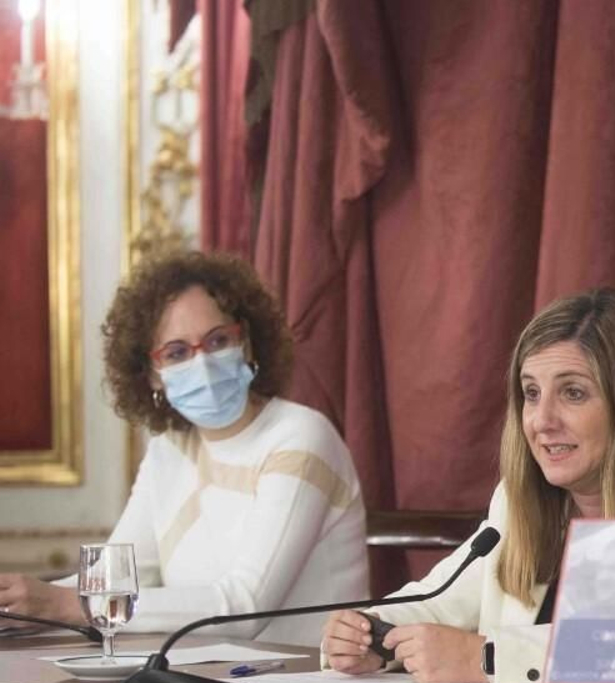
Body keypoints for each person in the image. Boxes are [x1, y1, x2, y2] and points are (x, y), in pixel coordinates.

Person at [320, 288, 615, 683]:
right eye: (530, 393)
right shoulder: (521, 501)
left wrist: (483, 659)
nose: (542, 421)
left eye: (573, 393)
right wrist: (369, 634)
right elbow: (439, 601)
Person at [0, 251, 368, 647]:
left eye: (217, 340)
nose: (203, 362)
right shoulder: (168, 450)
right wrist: (20, 605)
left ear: (246, 342)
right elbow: (118, 577)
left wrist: (67, 604)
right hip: (205, 678)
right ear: (152, 375)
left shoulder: (300, 435)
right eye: (176, 352)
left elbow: (247, 606)